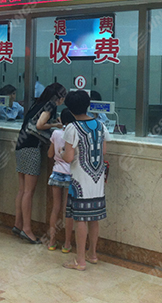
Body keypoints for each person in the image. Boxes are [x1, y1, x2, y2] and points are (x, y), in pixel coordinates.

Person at [62, 90, 111, 271]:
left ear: (70, 109)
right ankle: (93, 254)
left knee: (80, 218)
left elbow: (68, 157)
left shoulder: (72, 128)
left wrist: (61, 152)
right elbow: (103, 150)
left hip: (80, 179)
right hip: (97, 179)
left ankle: (80, 260)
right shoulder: (100, 125)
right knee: (94, 217)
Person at [13, 82, 66, 244]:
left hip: (21, 146)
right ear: (59, 97)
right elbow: (40, 124)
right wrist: (56, 125)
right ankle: (27, 230)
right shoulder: (50, 105)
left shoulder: (37, 104)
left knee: (22, 189)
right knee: (29, 191)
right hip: (31, 149)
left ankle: (18, 224)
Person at [46, 108, 75, 253]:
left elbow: (50, 154)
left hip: (56, 173)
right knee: (67, 211)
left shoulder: (56, 133)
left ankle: (52, 241)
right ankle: (67, 244)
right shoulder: (75, 134)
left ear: (61, 120)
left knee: (55, 208)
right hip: (70, 174)